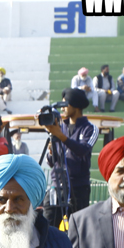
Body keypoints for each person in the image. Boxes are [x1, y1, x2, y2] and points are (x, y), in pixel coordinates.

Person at [44, 87, 99, 226]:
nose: (62, 108)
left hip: (78, 189)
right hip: (56, 187)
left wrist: (61, 136)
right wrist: (51, 151)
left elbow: (82, 150)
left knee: (79, 229)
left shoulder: (90, 128)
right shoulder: (59, 127)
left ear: (76, 106)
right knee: (47, 228)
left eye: (65, 104)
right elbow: (51, 162)